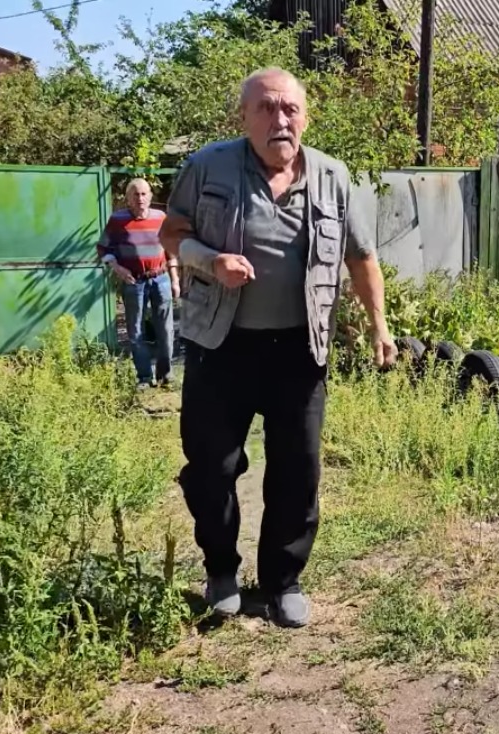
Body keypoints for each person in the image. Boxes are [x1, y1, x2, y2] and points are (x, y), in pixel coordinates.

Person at [159, 66, 395, 628]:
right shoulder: (207, 166)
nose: (279, 119)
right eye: (266, 107)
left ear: (305, 117)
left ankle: (282, 581)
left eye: (290, 108)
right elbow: (171, 232)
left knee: (298, 470)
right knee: (212, 467)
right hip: (221, 346)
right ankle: (221, 571)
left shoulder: (333, 177)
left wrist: (379, 325)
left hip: (299, 349)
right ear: (244, 116)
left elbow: (361, 258)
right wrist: (209, 260)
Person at [98, 178, 180, 388]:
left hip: (160, 278)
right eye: (135, 194)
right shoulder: (118, 220)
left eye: (144, 194)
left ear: (150, 196)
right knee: (136, 331)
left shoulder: (161, 217)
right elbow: (103, 248)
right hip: (134, 281)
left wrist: (175, 280)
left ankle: (165, 374)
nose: (140, 198)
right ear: (128, 198)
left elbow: (171, 250)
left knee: (166, 329)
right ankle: (144, 377)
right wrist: (118, 268)